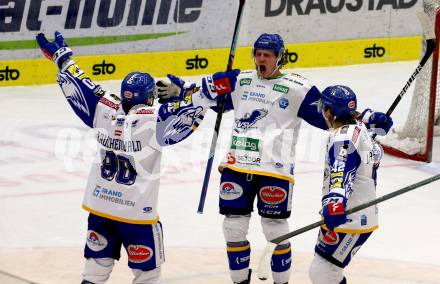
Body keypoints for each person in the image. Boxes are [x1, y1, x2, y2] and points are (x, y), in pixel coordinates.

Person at [159, 33, 393, 284]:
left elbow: (332, 112)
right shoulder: (239, 79)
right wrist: (180, 90)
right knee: (233, 229)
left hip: (275, 170)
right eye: (258, 54)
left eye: (267, 55)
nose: (261, 59)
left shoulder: (297, 87)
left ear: (279, 57)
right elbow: (208, 96)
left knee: (275, 230)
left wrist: (368, 118)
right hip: (236, 165)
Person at [35, 31, 231, 284]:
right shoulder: (154, 119)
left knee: (95, 270)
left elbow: (83, 86)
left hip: (100, 208)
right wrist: (194, 92)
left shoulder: (103, 109)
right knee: (147, 274)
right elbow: (188, 112)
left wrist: (62, 59)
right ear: (149, 97)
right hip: (135, 214)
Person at [308, 85, 382, 284]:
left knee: (323, 271)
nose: (323, 113)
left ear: (331, 112)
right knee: (324, 268)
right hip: (355, 213)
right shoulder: (358, 130)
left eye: (324, 108)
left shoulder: (343, 137)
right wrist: (373, 122)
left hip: (351, 216)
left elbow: (342, 170)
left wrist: (335, 201)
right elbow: (371, 156)